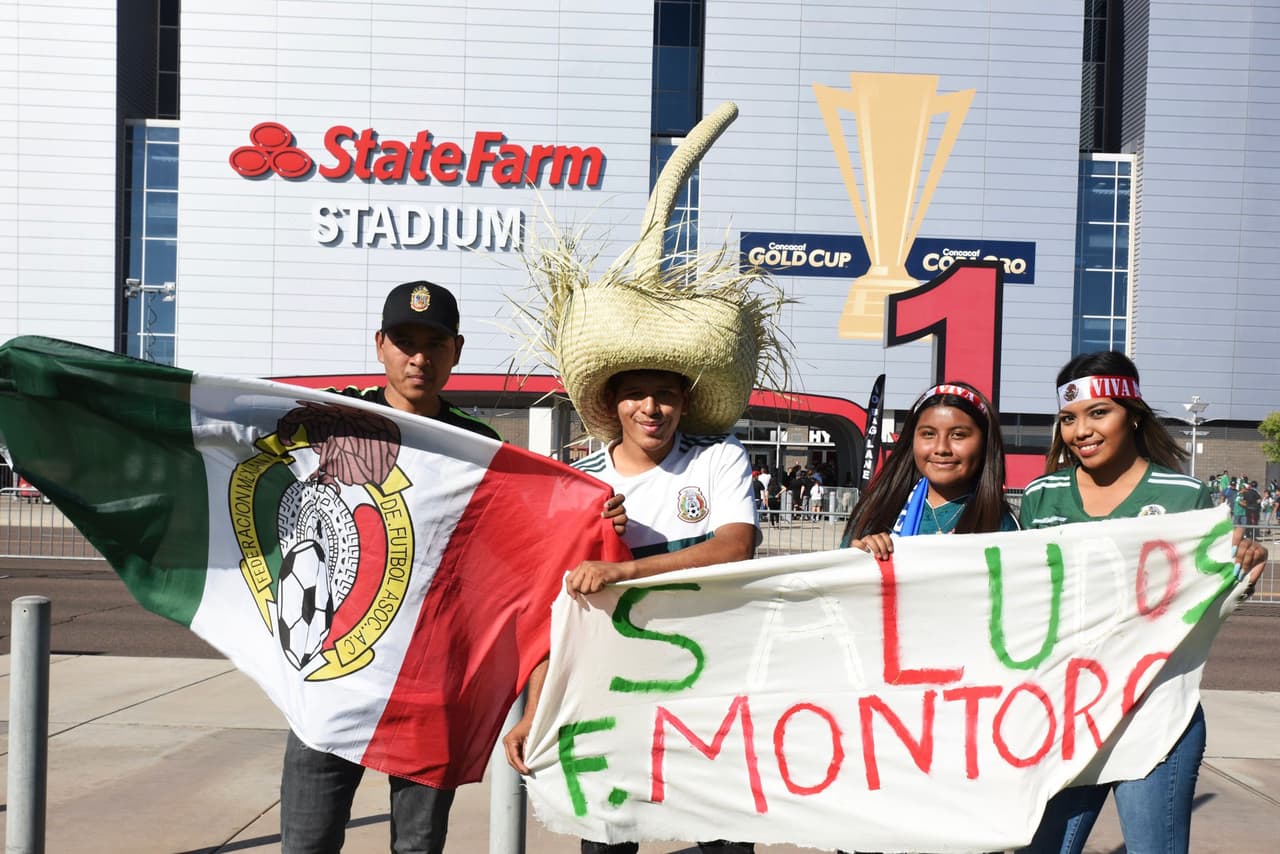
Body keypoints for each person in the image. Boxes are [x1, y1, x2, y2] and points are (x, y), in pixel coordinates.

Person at [279, 280, 624, 854]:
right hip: (334, 673)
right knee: (307, 843)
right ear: (380, 345)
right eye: (405, 342)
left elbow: (526, 553)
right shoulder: (338, 422)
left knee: (418, 847)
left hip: (429, 680)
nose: (419, 358)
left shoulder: (480, 445)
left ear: (456, 351)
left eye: (435, 344)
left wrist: (592, 517)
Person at [1016, 351, 1267, 854]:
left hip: (1157, 714)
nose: (1081, 431)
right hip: (1065, 717)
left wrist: (1243, 570)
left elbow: (1203, 606)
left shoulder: (1184, 496)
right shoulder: (1041, 494)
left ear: (1132, 415)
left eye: (1098, 413)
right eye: (1068, 418)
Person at [840, 381, 1016, 557]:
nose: (941, 448)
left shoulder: (1002, 527)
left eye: (958, 435)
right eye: (928, 434)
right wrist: (859, 557)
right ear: (912, 440)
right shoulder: (874, 513)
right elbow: (841, 571)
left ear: (985, 443)